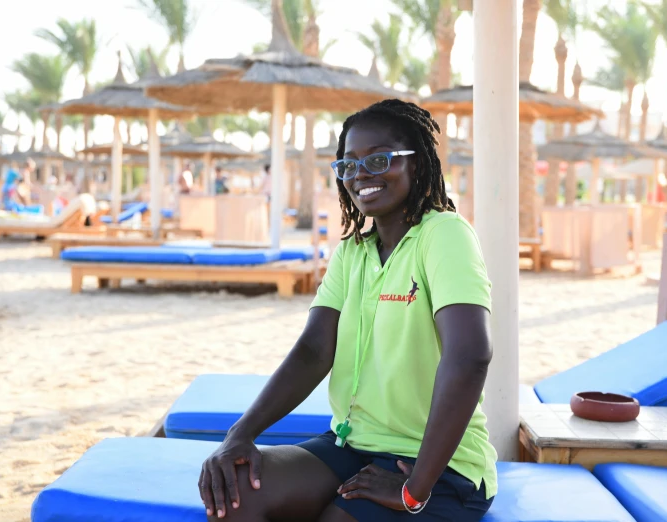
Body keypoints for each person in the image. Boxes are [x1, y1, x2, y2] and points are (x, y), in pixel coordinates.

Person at [199, 100, 497, 522]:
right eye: (350, 166)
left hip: (439, 467)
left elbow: (470, 357)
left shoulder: (445, 234)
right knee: (236, 499)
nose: (362, 176)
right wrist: (240, 434)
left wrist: (415, 489)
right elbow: (313, 350)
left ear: (418, 165)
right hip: (350, 447)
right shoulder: (352, 251)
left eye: (379, 160)